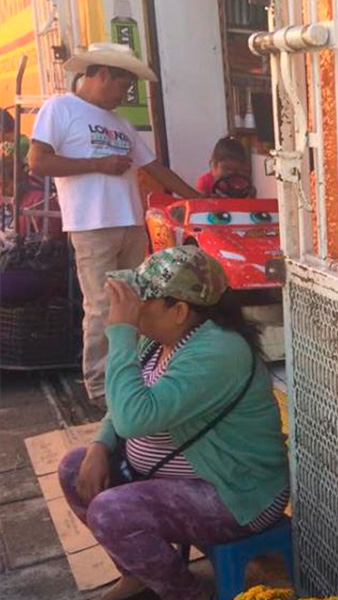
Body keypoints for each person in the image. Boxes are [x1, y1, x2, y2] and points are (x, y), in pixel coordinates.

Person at [57, 246, 289, 600]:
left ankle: (185, 594)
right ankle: (138, 573)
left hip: (235, 494)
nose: (132, 309)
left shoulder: (217, 351)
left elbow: (134, 420)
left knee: (112, 512)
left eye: (142, 301)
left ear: (179, 310)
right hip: (178, 480)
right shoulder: (161, 337)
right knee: (76, 467)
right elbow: (124, 400)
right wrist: (101, 444)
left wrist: (119, 333)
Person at [27, 42, 201, 404]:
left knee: (136, 303)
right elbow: (38, 162)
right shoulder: (61, 108)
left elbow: (155, 168)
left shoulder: (120, 122)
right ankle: (100, 386)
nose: (126, 93)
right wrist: (98, 165)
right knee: (103, 306)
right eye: (124, 85)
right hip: (92, 225)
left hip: (129, 223)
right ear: (102, 74)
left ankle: (133, 374)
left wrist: (199, 199)